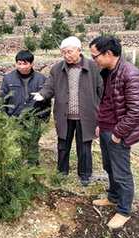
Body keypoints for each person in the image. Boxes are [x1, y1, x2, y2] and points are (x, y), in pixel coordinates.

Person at [89, 36, 139, 229]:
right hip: (106, 128)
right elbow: (106, 101)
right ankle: (113, 197)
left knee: (122, 172)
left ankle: (124, 210)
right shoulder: (108, 72)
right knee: (109, 166)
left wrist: (118, 134)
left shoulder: (130, 74)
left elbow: (136, 110)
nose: (94, 60)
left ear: (108, 53)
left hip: (119, 132)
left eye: (95, 56)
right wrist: (100, 124)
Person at [31, 36, 103, 186]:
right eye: (63, 53)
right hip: (64, 115)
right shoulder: (57, 69)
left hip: (87, 115)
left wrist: (102, 114)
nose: (66, 55)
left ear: (79, 50)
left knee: (84, 147)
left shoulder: (93, 67)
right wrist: (42, 94)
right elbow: (49, 86)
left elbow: (101, 91)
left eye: (69, 52)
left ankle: (84, 174)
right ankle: (62, 172)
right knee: (63, 145)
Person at [0, 50, 51, 165]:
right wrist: (4, 118)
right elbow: (3, 99)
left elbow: (47, 101)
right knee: (17, 144)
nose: (22, 66)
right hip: (15, 118)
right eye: (19, 63)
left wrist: (45, 118)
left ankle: (33, 168)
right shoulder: (8, 79)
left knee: (33, 144)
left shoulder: (41, 79)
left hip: (34, 118)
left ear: (32, 64)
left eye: (25, 63)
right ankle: (18, 167)